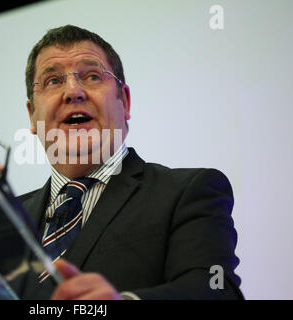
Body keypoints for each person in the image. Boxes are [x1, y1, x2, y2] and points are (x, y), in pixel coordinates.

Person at [16, 25, 243, 300]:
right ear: (31, 114)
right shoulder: (4, 218)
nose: (73, 91)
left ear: (124, 101)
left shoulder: (188, 192)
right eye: (53, 80)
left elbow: (216, 289)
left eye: (92, 76)